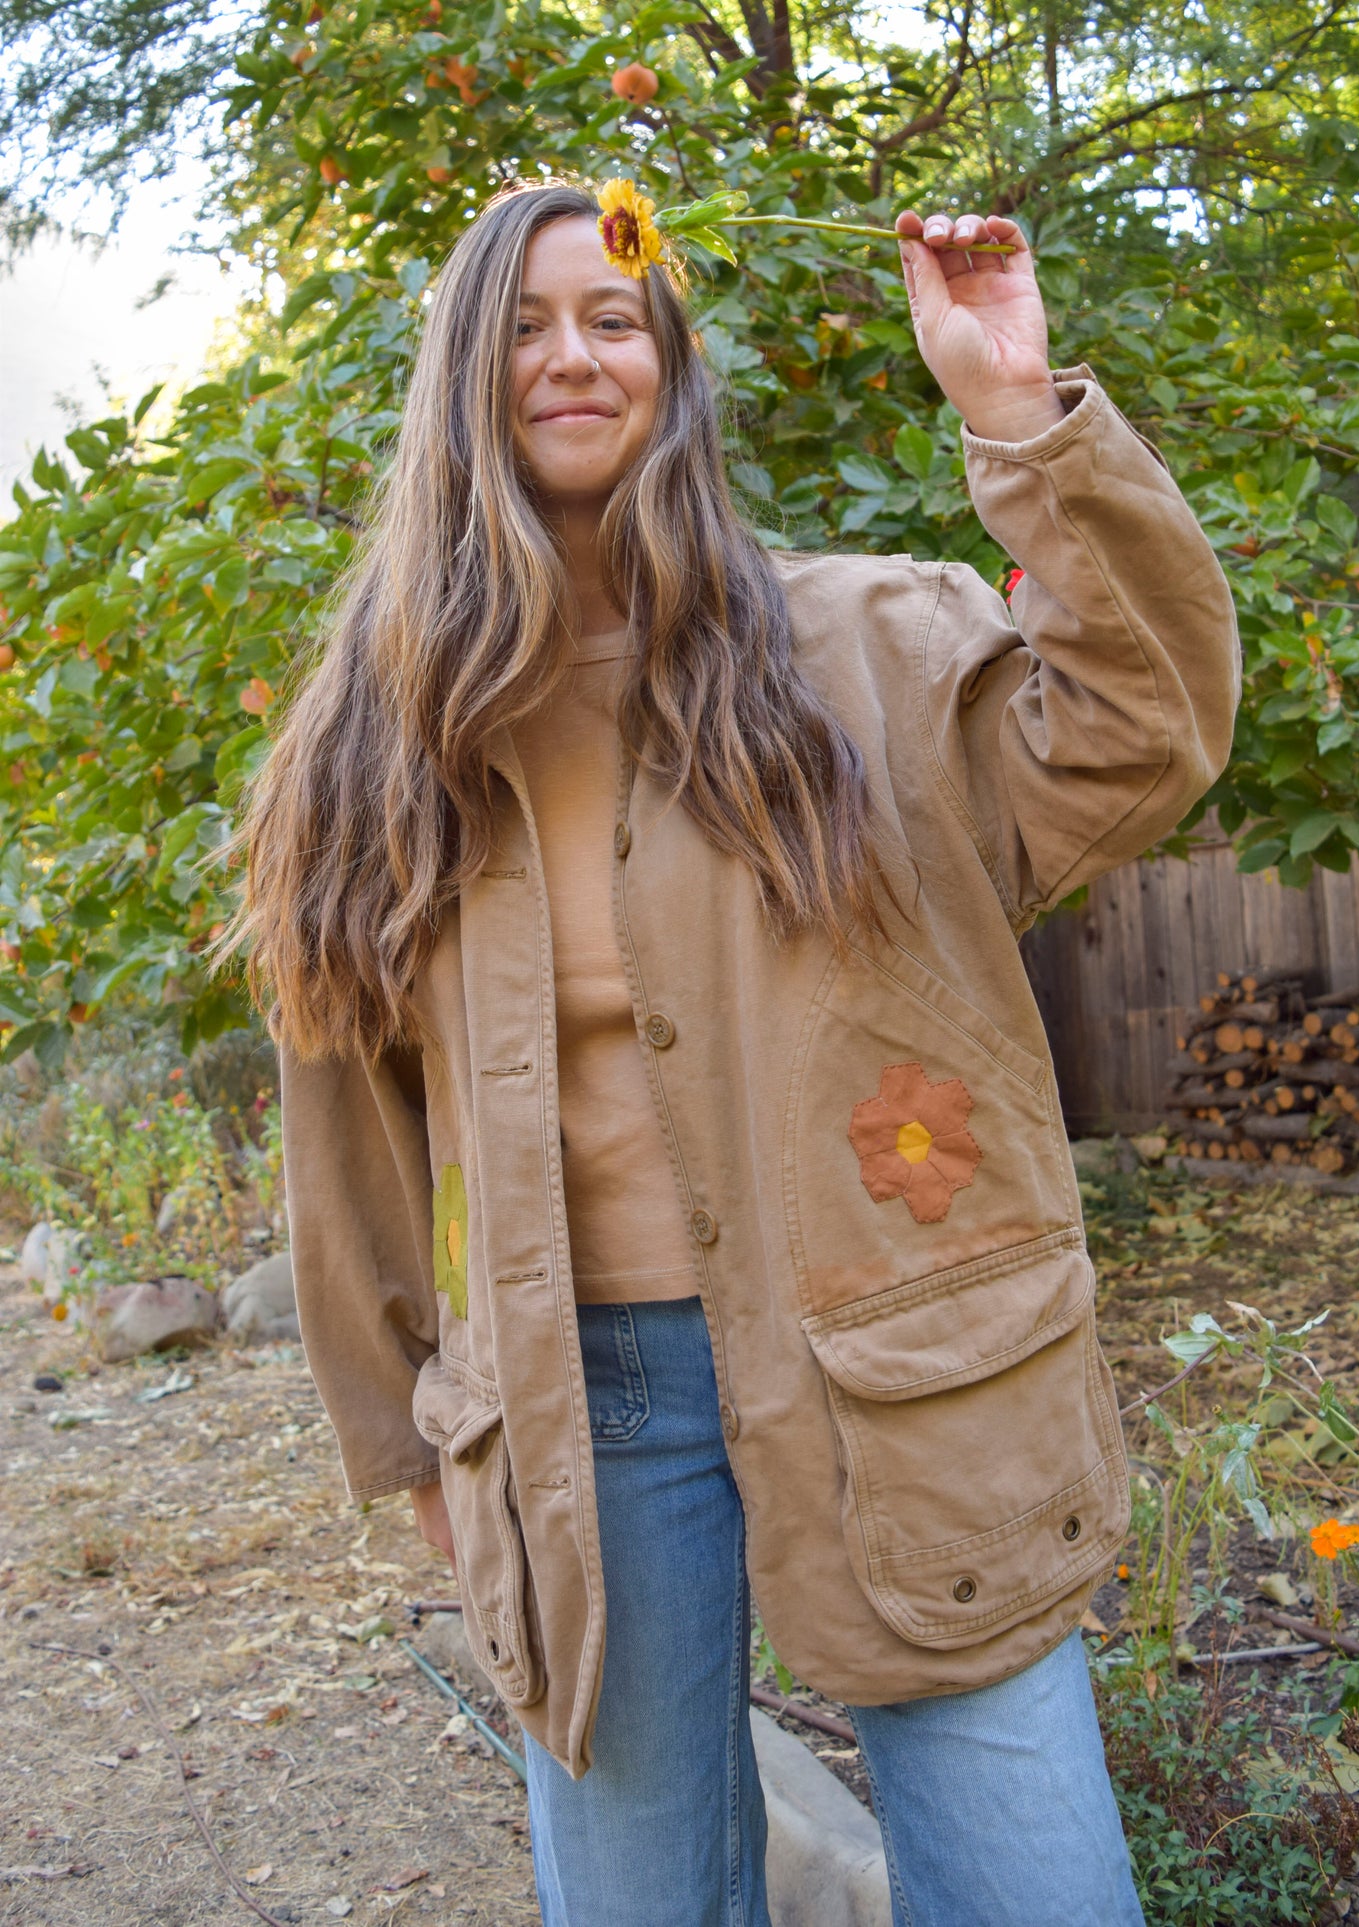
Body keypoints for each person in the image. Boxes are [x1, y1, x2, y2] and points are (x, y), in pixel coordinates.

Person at [223, 176, 1239, 1925]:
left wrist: (1016, 417)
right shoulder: (382, 730)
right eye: (524, 327)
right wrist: (412, 1442)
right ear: (463, 380)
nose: (571, 356)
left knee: (1037, 1892)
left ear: (671, 367)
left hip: (909, 1373)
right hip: (573, 1403)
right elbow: (354, 1119)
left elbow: (1146, 737)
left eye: (611, 319)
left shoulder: (867, 645)